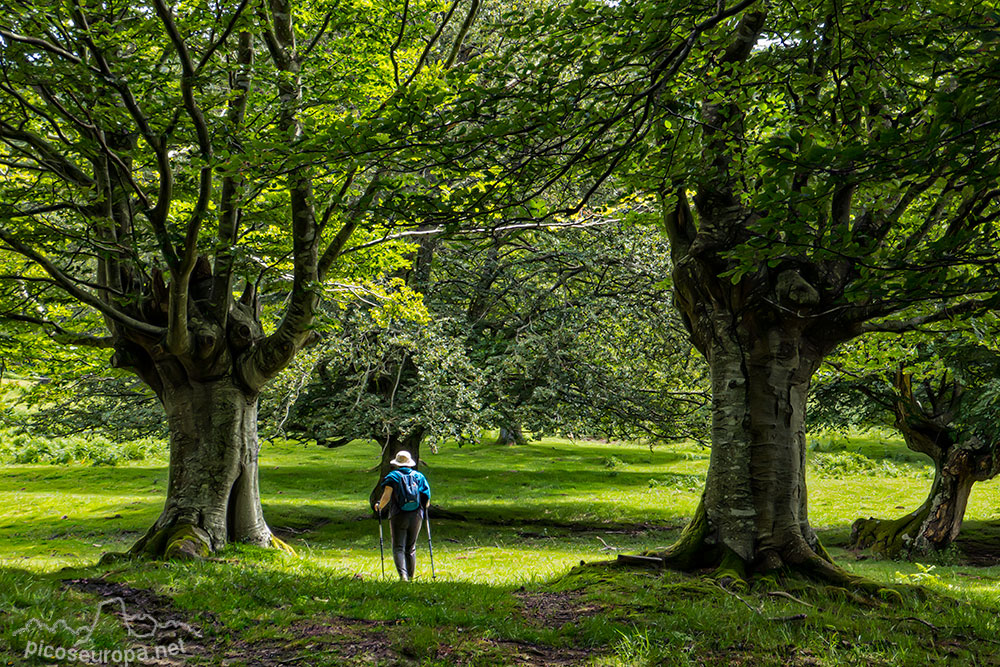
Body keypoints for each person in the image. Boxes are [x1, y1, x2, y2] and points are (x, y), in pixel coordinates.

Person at [374, 450, 431, 581]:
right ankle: (411, 577)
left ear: (397, 463)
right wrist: (424, 508)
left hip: (398, 514)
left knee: (398, 547)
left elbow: (386, 496)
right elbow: (426, 498)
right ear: (410, 463)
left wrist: (379, 506)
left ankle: (403, 577)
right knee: (411, 548)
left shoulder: (393, 476)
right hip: (416, 515)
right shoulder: (419, 476)